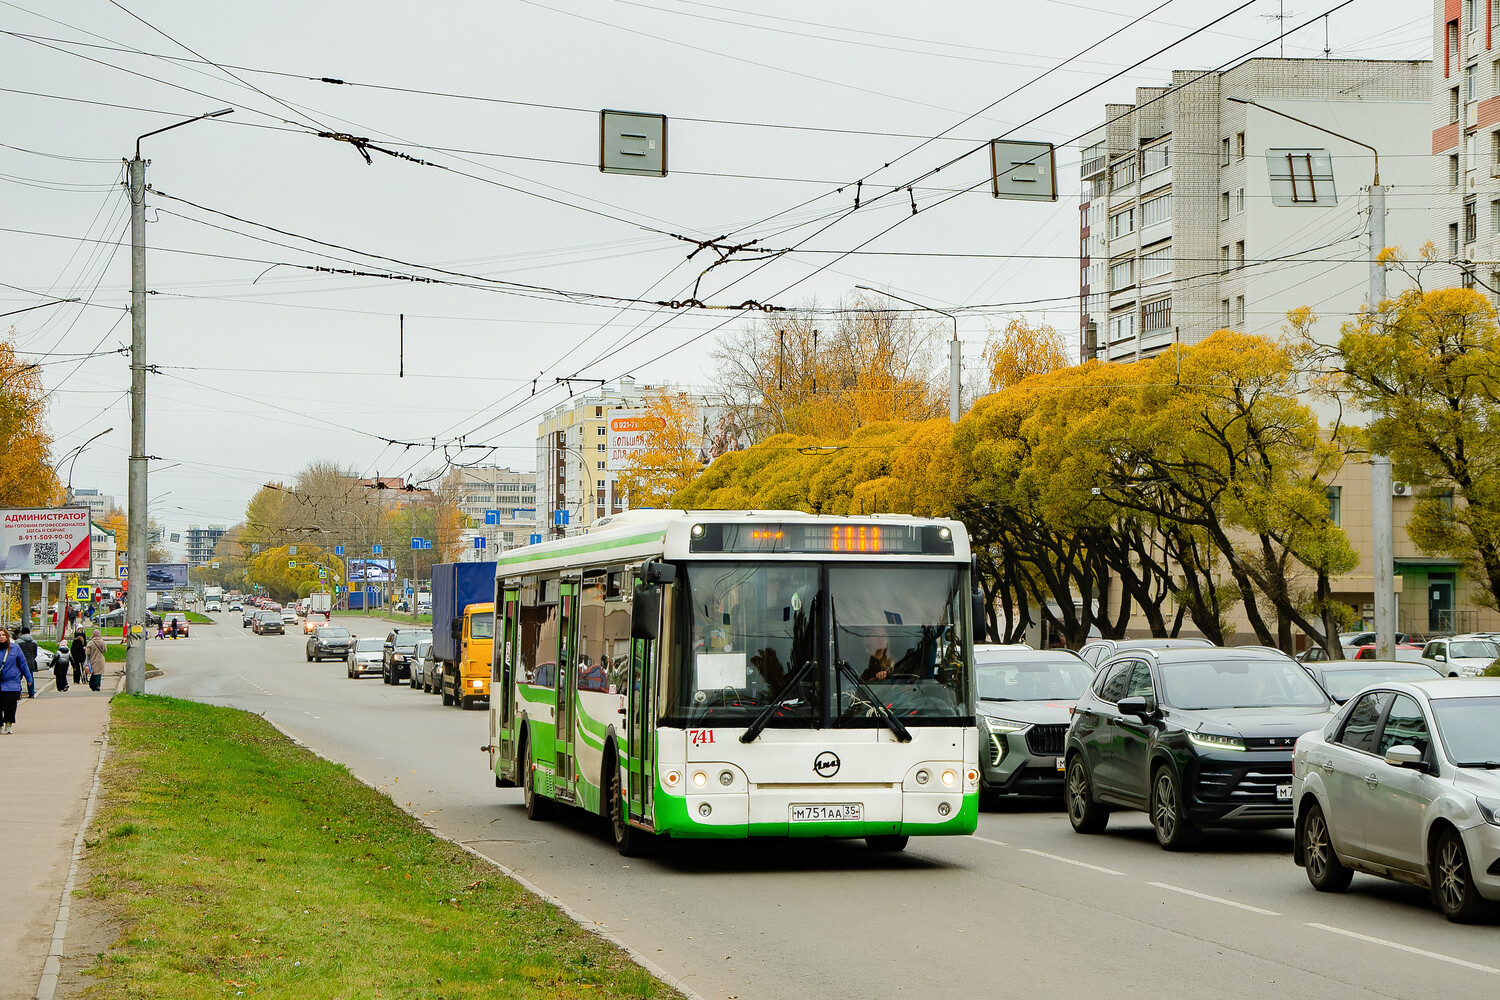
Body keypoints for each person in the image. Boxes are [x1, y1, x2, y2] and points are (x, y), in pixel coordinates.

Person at [0, 627, 34, 734]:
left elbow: (23, 663)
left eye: (3, 635)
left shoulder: (15, 648)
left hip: (12, 682)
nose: (1, 637)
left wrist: (29, 678)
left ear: (7, 636)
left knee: (10, 705)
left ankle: (9, 723)